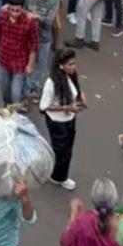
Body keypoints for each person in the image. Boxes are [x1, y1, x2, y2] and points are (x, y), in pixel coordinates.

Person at [41, 48, 84, 191]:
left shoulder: (70, 76)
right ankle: (58, 177)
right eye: (70, 64)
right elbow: (44, 106)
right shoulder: (51, 83)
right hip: (57, 122)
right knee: (61, 151)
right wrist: (67, 107)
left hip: (70, 118)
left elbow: (74, 91)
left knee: (67, 148)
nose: (73, 67)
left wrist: (80, 98)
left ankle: (57, 173)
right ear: (61, 65)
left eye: (74, 63)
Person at [0, 0, 39, 107]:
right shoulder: (2, 15)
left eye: (17, 11)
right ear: (8, 7)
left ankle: (14, 113)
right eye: (12, 10)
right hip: (4, 59)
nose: (14, 13)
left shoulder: (30, 21)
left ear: (22, 8)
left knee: (16, 93)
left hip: (20, 62)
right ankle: (7, 109)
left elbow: (34, 45)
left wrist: (31, 64)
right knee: (5, 90)